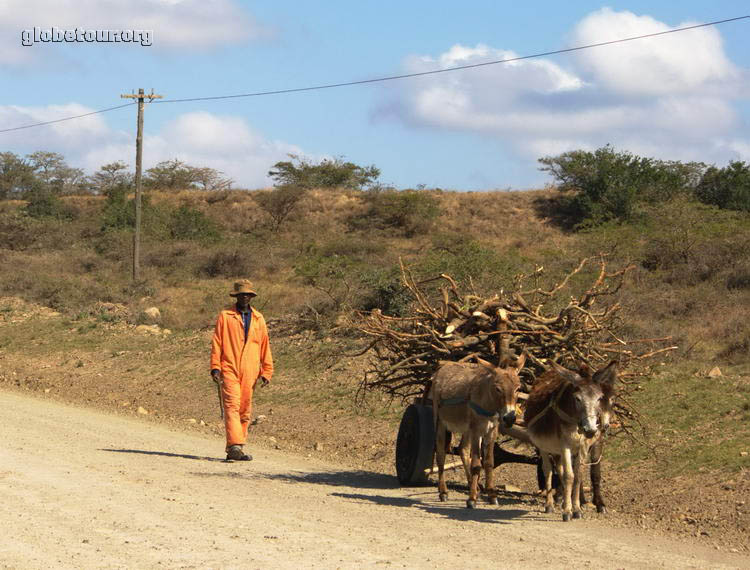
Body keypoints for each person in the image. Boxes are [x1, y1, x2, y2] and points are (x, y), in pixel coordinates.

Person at [210, 279, 273, 461]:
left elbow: (264, 346)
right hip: (229, 367)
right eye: (241, 294)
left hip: (251, 370)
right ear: (236, 296)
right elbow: (217, 342)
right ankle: (234, 446)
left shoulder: (258, 319)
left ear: (251, 297)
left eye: (247, 294)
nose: (244, 297)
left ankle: (238, 447)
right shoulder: (225, 316)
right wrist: (215, 367)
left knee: (245, 410)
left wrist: (266, 370)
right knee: (232, 406)